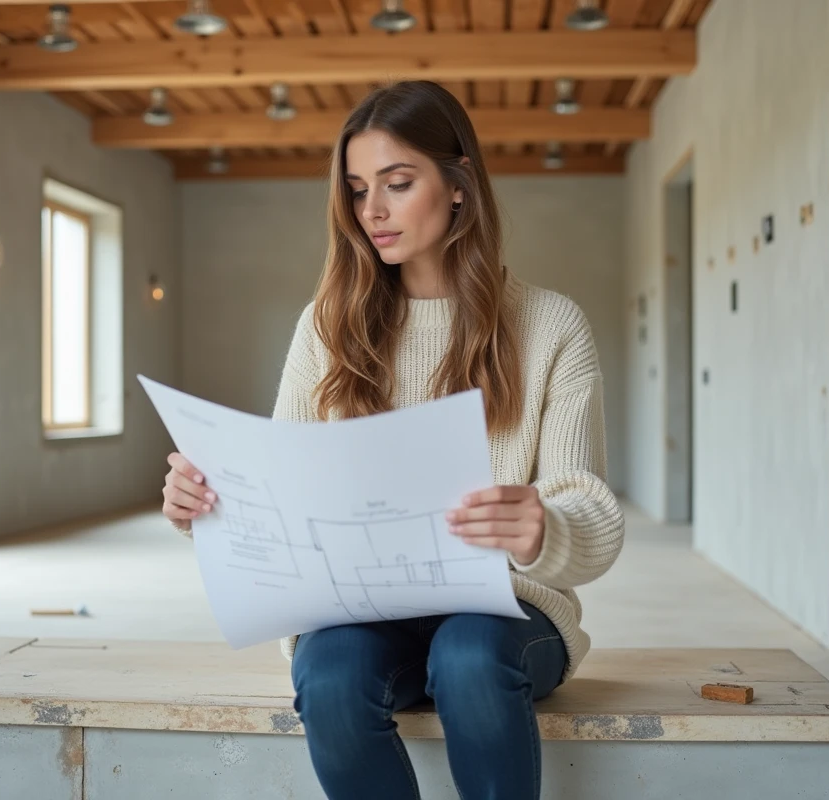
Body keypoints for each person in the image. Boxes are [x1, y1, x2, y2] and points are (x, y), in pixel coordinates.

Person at [161, 80, 625, 800]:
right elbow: (281, 498)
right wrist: (209, 506)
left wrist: (543, 527)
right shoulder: (327, 326)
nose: (370, 210)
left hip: (504, 612)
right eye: (355, 189)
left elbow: (593, 520)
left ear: (459, 184)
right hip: (357, 607)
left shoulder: (551, 325)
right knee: (329, 675)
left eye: (397, 183)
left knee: (467, 656)